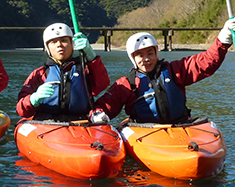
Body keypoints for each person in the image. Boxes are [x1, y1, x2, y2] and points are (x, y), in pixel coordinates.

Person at [90, 18, 235, 124]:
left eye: (150, 53)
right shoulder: (127, 84)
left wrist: (223, 39)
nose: (146, 59)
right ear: (133, 58)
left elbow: (205, 63)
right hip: (145, 130)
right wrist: (98, 114)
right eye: (140, 55)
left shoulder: (175, 70)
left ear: (156, 54)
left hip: (180, 125)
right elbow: (106, 104)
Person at [16, 22, 110, 121]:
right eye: (53, 42)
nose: (59, 45)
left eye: (64, 40)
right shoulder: (39, 73)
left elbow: (102, 84)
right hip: (45, 123)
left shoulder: (85, 70)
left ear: (72, 44)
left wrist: (92, 57)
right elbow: (21, 110)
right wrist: (33, 99)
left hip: (79, 122)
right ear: (48, 48)